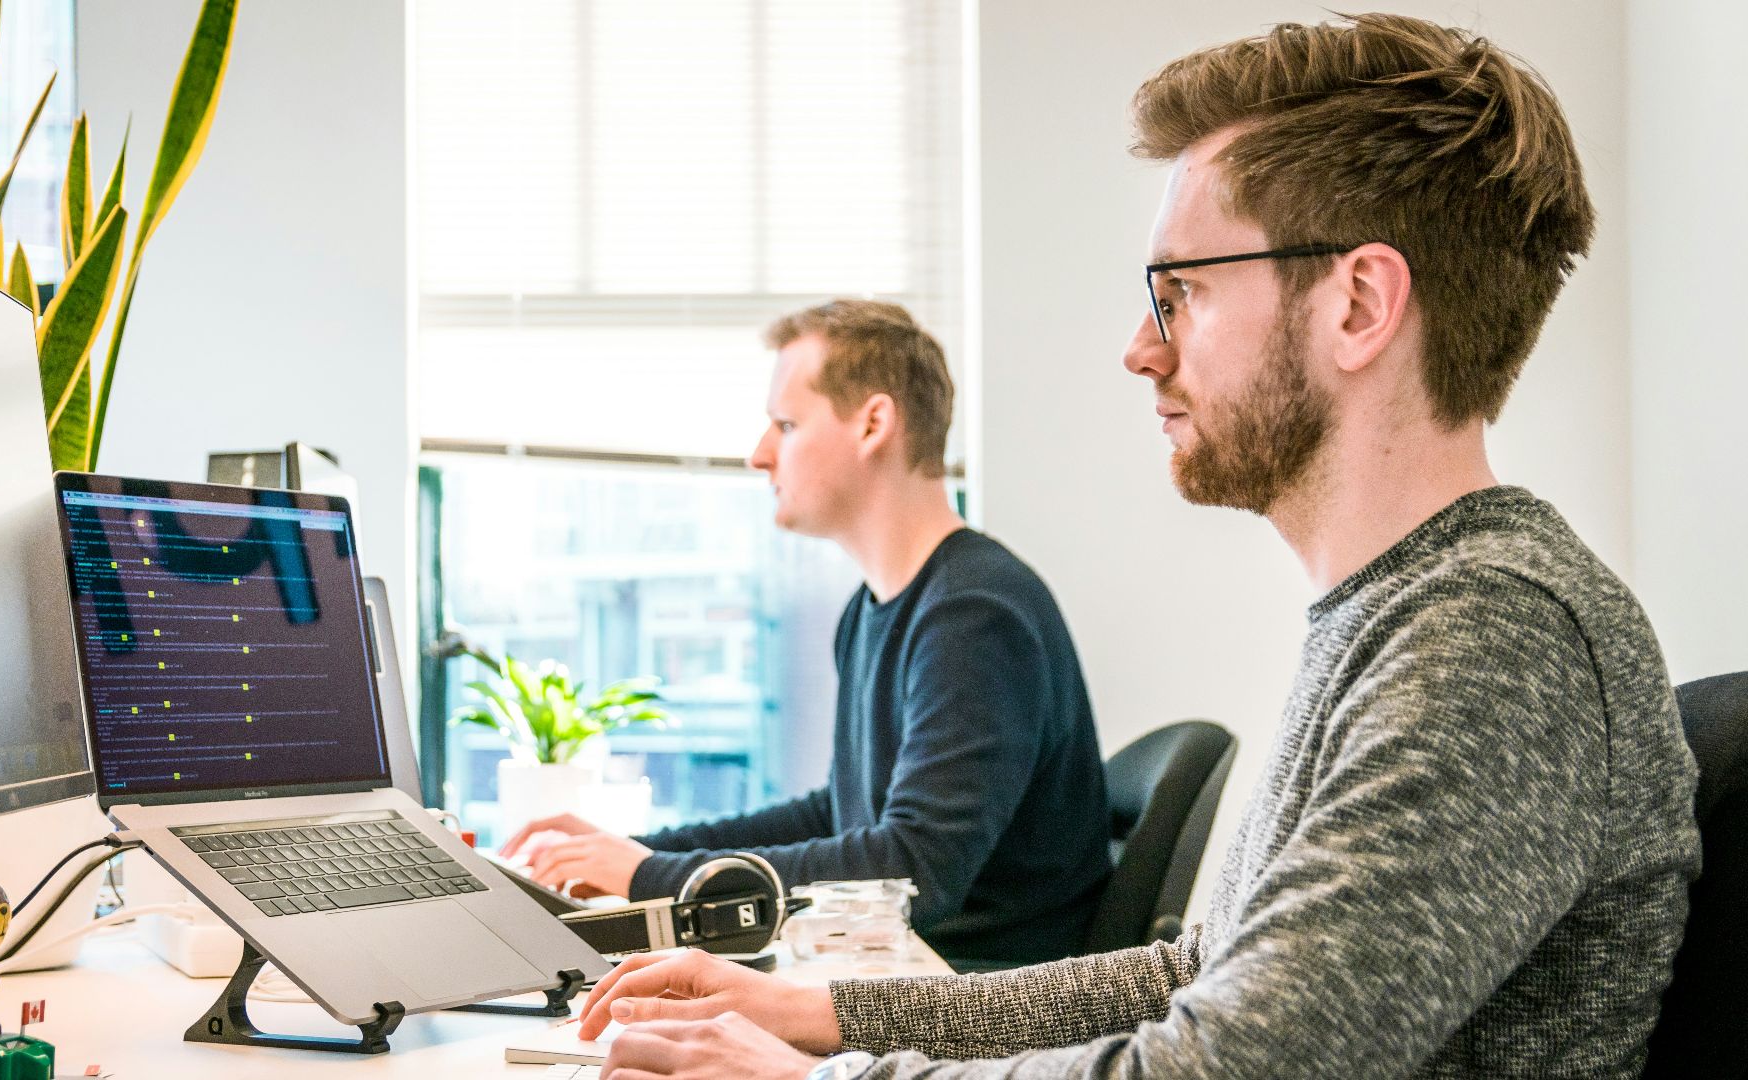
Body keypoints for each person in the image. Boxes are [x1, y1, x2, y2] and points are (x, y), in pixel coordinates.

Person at [572, 14, 1702, 1079]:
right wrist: (822, 1014)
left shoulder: (1492, 638)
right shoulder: (1405, 612)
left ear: (1358, 304)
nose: (1140, 349)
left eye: (1181, 294)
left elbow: (1224, 1068)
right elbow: (1194, 978)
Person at [503, 299, 1113, 967]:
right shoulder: (876, 608)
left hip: (971, 998)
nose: (759, 455)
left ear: (873, 423)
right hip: (900, 972)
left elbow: (912, 871)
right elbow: (840, 816)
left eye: (786, 425)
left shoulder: (974, 616)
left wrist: (649, 878)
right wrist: (642, 853)